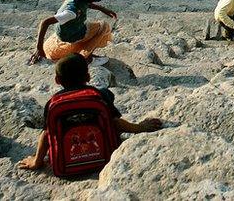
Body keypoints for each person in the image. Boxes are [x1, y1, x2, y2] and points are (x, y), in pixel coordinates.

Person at [18, 54, 163, 174]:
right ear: (88, 76)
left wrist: (36, 161)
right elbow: (116, 123)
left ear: (57, 81)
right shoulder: (98, 95)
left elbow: (46, 134)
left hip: (66, 166)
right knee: (107, 94)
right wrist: (140, 127)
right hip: (104, 159)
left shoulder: (52, 103)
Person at [29, 0, 116, 65]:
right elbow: (45, 22)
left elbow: (85, 3)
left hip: (65, 30)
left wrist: (102, 9)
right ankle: (87, 58)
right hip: (72, 35)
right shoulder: (71, 12)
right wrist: (39, 48)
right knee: (104, 27)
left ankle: (83, 51)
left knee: (90, 25)